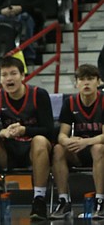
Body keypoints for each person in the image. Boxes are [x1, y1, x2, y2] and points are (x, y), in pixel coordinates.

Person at [0, 56, 56, 222]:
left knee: (39, 140)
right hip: (8, 152)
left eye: (13, 73)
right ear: (0, 79)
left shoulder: (39, 94)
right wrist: (2, 133)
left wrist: (25, 130)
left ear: (23, 76)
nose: (9, 78)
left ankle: (39, 200)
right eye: (4, 75)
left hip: (34, 151)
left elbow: (50, 131)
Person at [52, 64, 104, 219]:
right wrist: (67, 141)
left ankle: (100, 200)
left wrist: (86, 142)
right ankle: (64, 201)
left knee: (98, 148)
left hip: (99, 151)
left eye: (90, 79)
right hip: (79, 150)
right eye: (82, 79)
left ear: (99, 82)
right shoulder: (70, 102)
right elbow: (62, 134)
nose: (86, 83)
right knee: (58, 149)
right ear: (76, 83)